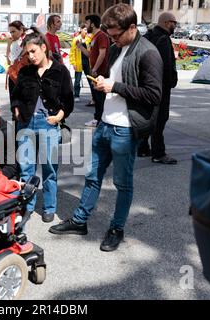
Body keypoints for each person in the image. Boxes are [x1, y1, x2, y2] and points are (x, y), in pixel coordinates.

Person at [49, 3, 163, 252]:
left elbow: (154, 95)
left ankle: (116, 229)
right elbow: (115, 80)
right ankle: (80, 221)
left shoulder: (148, 52)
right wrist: (103, 82)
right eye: (110, 35)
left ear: (132, 28)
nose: (112, 40)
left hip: (125, 129)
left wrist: (115, 87)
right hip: (105, 125)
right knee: (92, 176)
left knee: (123, 183)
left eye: (116, 35)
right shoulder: (115, 49)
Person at [12, 27, 74, 223]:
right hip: (26, 123)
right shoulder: (24, 71)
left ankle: (49, 207)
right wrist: (16, 109)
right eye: (27, 53)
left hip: (49, 123)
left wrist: (59, 117)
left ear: (43, 48)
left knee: (50, 169)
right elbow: (15, 96)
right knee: (26, 168)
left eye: (33, 51)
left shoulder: (60, 70)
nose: (30, 57)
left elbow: (68, 99)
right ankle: (28, 206)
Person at [137, 12, 178, 164]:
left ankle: (142, 148)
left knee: (148, 117)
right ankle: (158, 153)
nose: (175, 26)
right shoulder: (164, 39)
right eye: (174, 22)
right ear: (167, 23)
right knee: (160, 119)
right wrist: (170, 82)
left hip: (146, 85)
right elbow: (166, 66)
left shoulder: (147, 37)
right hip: (160, 87)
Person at [77, 15, 110, 127]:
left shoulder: (101, 36)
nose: (85, 26)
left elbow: (102, 54)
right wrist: (81, 47)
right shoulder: (94, 37)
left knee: (100, 98)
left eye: (86, 23)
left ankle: (99, 120)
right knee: (97, 97)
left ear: (92, 24)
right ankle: (98, 119)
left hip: (100, 73)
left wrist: (95, 69)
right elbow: (91, 55)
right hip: (96, 72)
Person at [70, 25, 94, 103]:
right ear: (81, 30)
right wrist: (73, 63)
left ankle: (94, 96)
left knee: (90, 80)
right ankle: (76, 95)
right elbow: (72, 52)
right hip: (79, 62)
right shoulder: (76, 39)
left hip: (87, 63)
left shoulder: (89, 39)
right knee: (77, 80)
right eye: (85, 29)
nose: (86, 31)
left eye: (87, 30)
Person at [6, 20, 26, 104]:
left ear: (21, 30)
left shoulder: (26, 41)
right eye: (10, 32)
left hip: (23, 75)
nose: (12, 34)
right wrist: (8, 45)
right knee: (14, 103)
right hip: (13, 74)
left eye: (14, 31)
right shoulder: (13, 42)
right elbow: (8, 61)